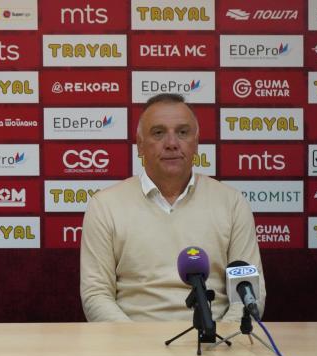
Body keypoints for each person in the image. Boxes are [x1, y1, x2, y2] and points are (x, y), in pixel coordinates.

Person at [80, 93, 265, 322]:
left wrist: (224, 337)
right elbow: (96, 294)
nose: (171, 143)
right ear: (140, 145)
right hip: (133, 339)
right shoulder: (105, 205)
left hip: (216, 339)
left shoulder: (231, 203)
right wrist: (133, 340)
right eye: (158, 133)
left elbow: (250, 292)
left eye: (183, 132)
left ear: (196, 143)